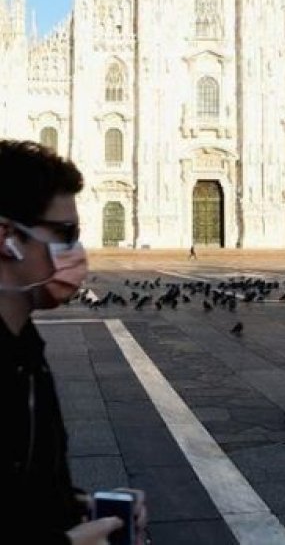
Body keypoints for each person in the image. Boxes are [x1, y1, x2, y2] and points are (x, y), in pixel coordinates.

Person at [0, 141, 148, 544]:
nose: (77, 251)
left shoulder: (27, 351)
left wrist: (81, 507)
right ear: (7, 237)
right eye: (65, 234)